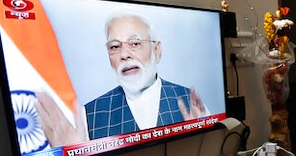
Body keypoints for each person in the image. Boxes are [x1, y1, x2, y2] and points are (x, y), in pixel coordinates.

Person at [36, 12, 208, 145]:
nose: (124, 55)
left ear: (157, 50)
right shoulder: (89, 114)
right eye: (115, 46)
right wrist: (74, 155)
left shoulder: (190, 104)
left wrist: (200, 136)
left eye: (135, 44)